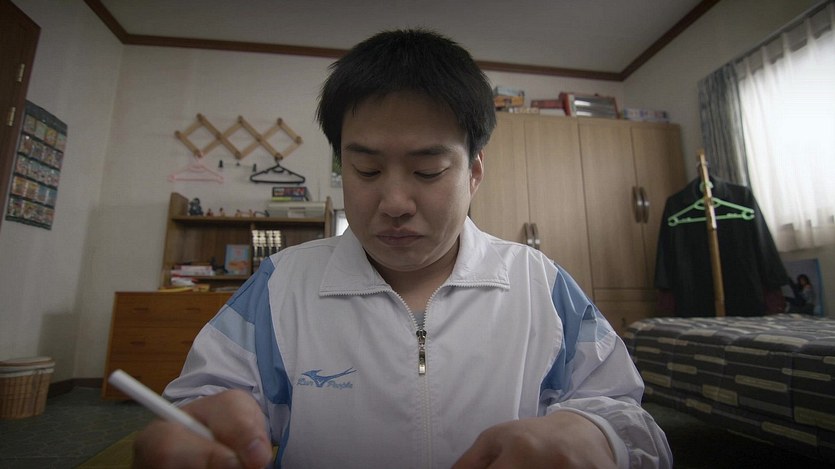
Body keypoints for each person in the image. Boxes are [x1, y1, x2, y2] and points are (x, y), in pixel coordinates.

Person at [134, 29, 672, 468]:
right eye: (366, 170)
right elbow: (197, 408)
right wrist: (188, 433)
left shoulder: (539, 283)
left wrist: (598, 436)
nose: (394, 202)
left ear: (474, 173)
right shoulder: (281, 285)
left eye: (428, 170)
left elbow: (632, 419)